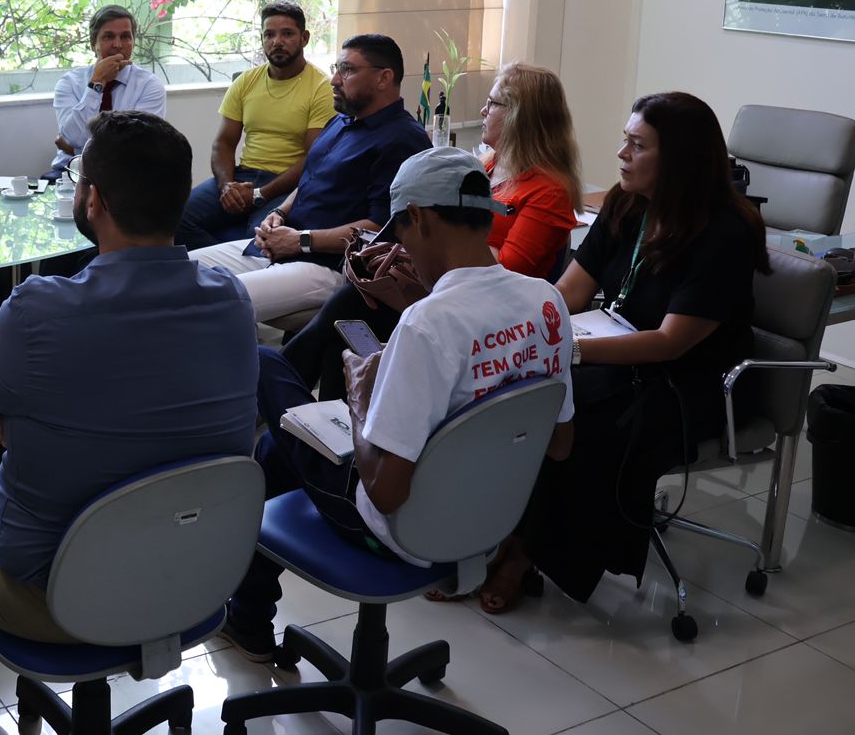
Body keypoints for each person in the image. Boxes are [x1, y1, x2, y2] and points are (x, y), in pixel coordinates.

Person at [0, 111, 258, 642]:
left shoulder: (36, 310)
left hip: (56, 602)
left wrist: (11, 417)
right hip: (190, 580)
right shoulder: (232, 300)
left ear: (94, 201)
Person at [220, 147, 576, 661]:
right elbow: (560, 443)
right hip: (489, 517)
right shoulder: (546, 300)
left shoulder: (428, 325)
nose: (401, 249)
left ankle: (247, 616)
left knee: (266, 364)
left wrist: (361, 399)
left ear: (419, 218)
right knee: (280, 449)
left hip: (399, 529)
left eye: (402, 235)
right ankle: (247, 615)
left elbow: (385, 493)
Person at [481, 92, 766, 613]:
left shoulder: (723, 233)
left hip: (690, 382)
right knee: (519, 391)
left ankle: (526, 551)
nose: (621, 154)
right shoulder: (625, 204)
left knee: (578, 418)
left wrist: (571, 352)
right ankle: (500, 532)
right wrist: (523, 334)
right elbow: (568, 293)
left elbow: (670, 342)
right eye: (625, 140)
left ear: (678, 158)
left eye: (637, 145)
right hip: (617, 352)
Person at [283, 61, 583, 398]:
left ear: (520, 116)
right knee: (347, 322)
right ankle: (309, 401)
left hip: (480, 311)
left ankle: (282, 384)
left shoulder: (548, 191)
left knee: (350, 312)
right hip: (439, 287)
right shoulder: (489, 167)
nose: (483, 110)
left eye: (493, 103)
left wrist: (444, 239)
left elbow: (506, 271)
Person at [190, 34, 430, 323]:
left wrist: (301, 241)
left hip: (328, 265)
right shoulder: (340, 122)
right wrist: (279, 213)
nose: (334, 80)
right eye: (336, 68)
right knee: (179, 272)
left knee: (211, 303)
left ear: (384, 78)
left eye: (347, 70)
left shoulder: (403, 140)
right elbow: (310, 177)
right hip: (283, 246)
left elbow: (380, 230)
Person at [176, 2, 335, 250]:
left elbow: (312, 158)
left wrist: (260, 195)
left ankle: (233, 264)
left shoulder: (321, 87)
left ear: (304, 38)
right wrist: (227, 186)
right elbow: (223, 143)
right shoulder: (246, 81)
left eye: (287, 34)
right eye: (269, 35)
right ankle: (219, 266)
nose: (277, 42)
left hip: (287, 184)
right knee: (175, 220)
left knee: (260, 238)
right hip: (244, 176)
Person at [46, 5, 167, 178]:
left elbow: (138, 148)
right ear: (93, 43)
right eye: (109, 36)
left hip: (126, 175)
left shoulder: (149, 86)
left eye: (125, 37)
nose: (118, 45)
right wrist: (97, 83)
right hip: (70, 173)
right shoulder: (69, 83)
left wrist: (75, 149)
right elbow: (74, 137)